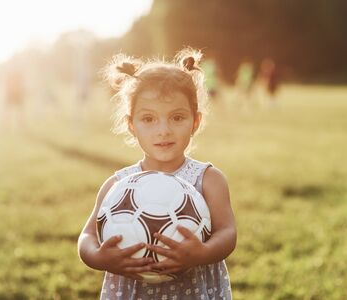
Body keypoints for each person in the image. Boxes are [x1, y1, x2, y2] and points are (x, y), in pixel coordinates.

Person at [78, 48, 237, 299]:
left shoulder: (208, 179)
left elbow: (227, 234)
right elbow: (87, 236)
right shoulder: (117, 186)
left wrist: (201, 254)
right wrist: (99, 257)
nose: (163, 130)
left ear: (195, 122)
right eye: (149, 119)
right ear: (132, 125)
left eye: (177, 117)